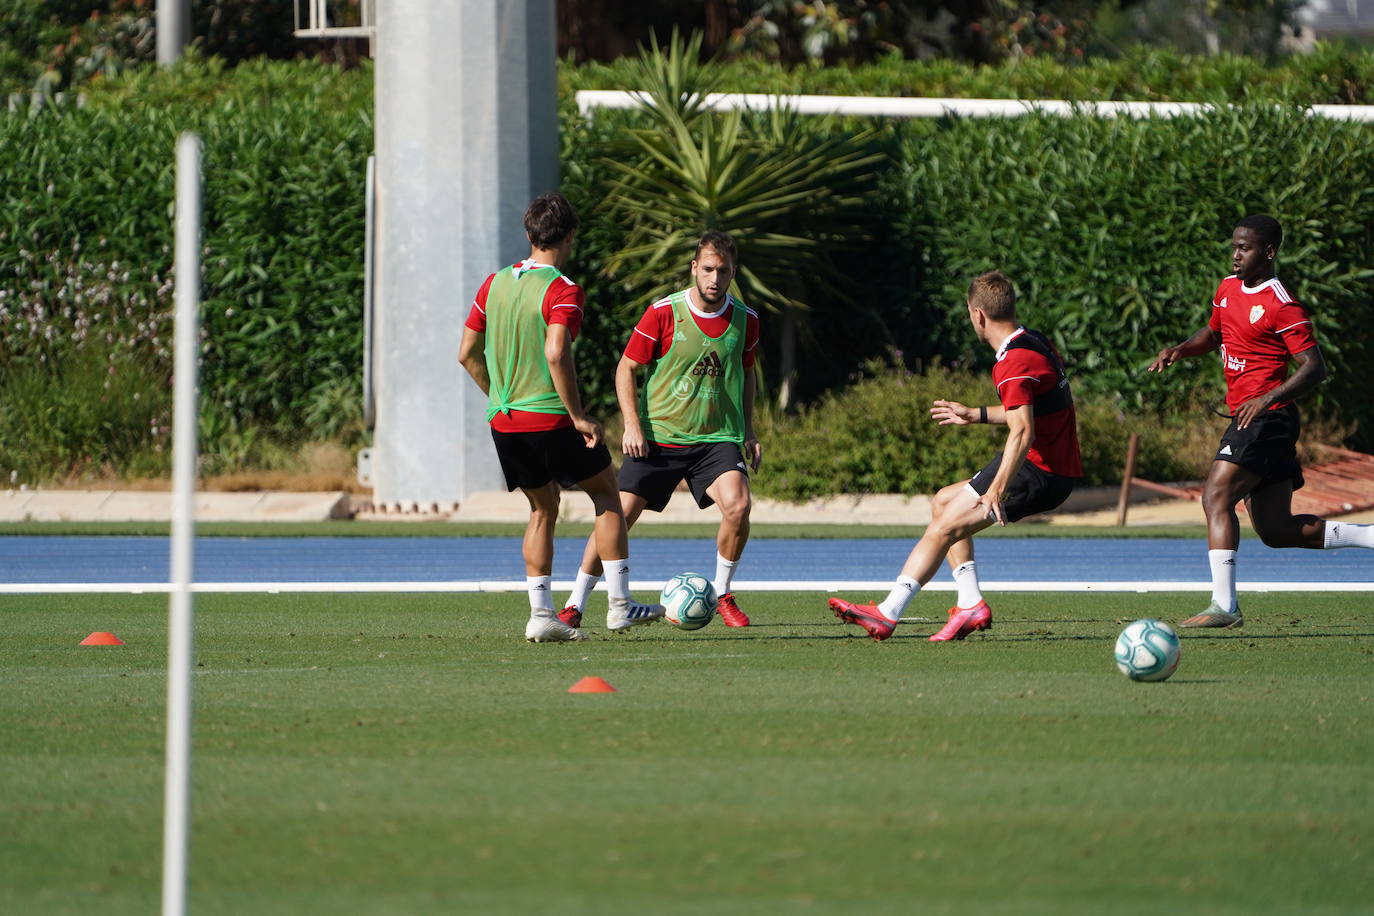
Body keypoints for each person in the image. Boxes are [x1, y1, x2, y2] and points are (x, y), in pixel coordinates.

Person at [828, 270, 1082, 641]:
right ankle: (970, 603)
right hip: (1048, 465)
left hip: (1041, 471)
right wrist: (974, 414)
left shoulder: (1012, 362)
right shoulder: (1034, 341)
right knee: (944, 500)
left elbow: (1023, 431)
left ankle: (887, 613)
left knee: (944, 526)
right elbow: (1028, 411)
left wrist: (997, 488)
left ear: (977, 314)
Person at [1149, 213, 1374, 628]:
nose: (1235, 255)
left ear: (1268, 252)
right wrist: (1180, 349)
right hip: (1253, 418)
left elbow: (1314, 367)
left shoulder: (1280, 303)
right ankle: (1370, 536)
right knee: (1275, 531)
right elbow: (1214, 333)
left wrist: (1266, 398)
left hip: (1267, 418)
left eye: (1244, 248)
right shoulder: (1227, 289)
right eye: (1234, 246)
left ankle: (1224, 607)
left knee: (1215, 496)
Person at [458, 192, 662, 642]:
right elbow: (555, 351)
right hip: (550, 419)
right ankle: (620, 607)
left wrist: (501, 398)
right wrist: (578, 416)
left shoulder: (493, 284)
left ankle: (541, 616)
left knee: (542, 508)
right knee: (608, 494)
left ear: (529, 234)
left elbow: (466, 355)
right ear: (570, 236)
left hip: (505, 421)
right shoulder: (563, 289)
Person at [558, 230, 763, 630]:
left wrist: (749, 429)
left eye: (723, 271)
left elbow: (748, 372)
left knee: (738, 505)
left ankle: (722, 593)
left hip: (716, 440)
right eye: (707, 269)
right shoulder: (664, 313)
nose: (714, 278)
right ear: (693, 268)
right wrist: (632, 425)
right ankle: (575, 603)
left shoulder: (746, 320)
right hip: (659, 437)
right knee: (615, 515)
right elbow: (625, 368)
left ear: (733, 272)